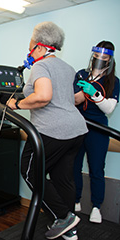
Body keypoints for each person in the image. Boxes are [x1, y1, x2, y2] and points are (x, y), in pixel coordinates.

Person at [7, 21, 88, 240]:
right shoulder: (68, 68)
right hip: (77, 130)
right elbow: (76, 98)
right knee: (63, 179)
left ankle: (64, 217)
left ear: (41, 47)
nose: (29, 51)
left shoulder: (41, 66)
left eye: (31, 46)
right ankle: (69, 230)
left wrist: (16, 104)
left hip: (52, 131)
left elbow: (43, 96)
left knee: (30, 172)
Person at [73, 41, 119, 223]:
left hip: (98, 130)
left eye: (104, 58)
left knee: (96, 169)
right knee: (74, 166)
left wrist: (95, 94)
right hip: (77, 127)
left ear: (110, 60)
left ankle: (96, 207)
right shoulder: (81, 74)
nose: (99, 60)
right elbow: (73, 99)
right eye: (97, 57)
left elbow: (108, 108)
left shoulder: (113, 82)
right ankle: (75, 201)